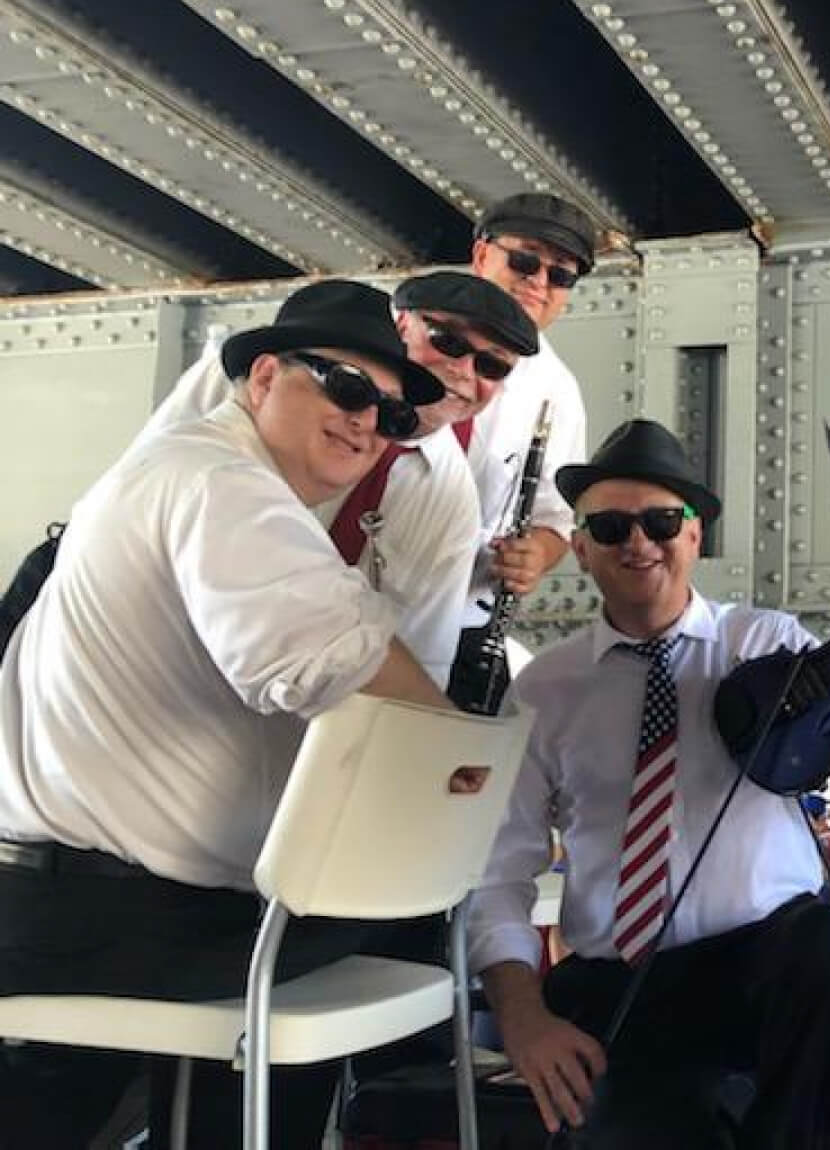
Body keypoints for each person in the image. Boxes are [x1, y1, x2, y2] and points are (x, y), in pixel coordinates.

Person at [0, 281, 462, 1148]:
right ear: (261, 379)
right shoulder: (220, 480)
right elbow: (350, 668)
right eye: (345, 386)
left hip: (92, 903)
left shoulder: (201, 475)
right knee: (375, 938)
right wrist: (467, 766)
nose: (368, 422)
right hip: (112, 915)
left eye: (394, 418)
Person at [469, 419, 830, 1149]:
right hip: (620, 984)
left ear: (694, 536)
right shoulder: (543, 690)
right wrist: (524, 1020)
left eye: (662, 521)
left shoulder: (769, 644)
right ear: (583, 546)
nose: (639, 542)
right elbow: (497, 872)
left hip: (767, 965)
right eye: (612, 525)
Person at [137, 271, 539, 688]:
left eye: (491, 365)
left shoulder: (452, 500)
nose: (463, 370)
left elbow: (421, 659)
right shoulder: (223, 397)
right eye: (449, 341)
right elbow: (151, 483)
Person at [463, 193, 596, 620]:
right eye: (525, 261)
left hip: (462, 613)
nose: (540, 282)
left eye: (561, 275)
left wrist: (534, 554)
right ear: (483, 256)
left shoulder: (558, 392)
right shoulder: (403, 331)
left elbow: (555, 517)